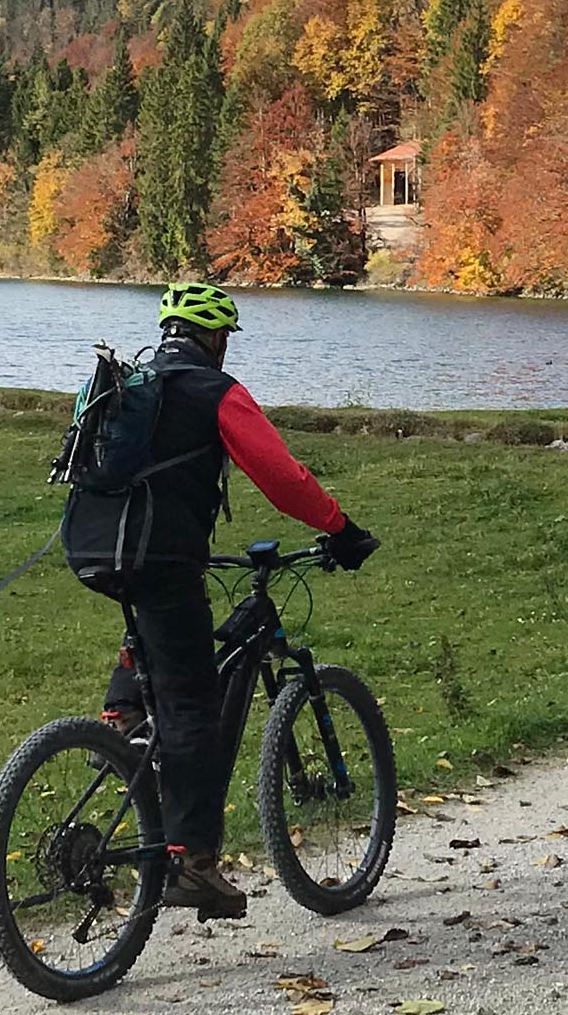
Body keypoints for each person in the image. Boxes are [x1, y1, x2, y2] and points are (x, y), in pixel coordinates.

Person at [101, 280, 378, 920]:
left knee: (159, 646)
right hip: (165, 558)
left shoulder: (134, 385)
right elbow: (283, 477)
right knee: (194, 703)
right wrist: (340, 528)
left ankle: (121, 721)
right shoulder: (215, 392)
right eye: (225, 336)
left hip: (99, 551)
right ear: (216, 336)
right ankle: (193, 862)